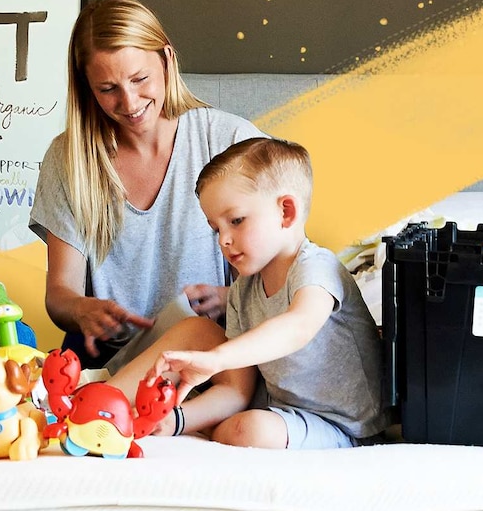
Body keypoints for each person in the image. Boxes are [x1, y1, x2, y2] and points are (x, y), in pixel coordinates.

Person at [29, 0, 267, 371]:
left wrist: (231, 298)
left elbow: (279, 270)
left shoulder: (228, 140)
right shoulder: (68, 159)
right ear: (86, 87)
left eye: (140, 79)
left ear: (167, 61)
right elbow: (60, 295)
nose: (129, 102)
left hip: (208, 349)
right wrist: (81, 309)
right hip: (107, 356)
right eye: (107, 89)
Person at [130, 137, 388, 449]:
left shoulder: (316, 267)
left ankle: (203, 424)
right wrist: (176, 420)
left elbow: (298, 327)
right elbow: (238, 388)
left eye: (236, 221)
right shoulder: (243, 290)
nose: (224, 240)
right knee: (195, 330)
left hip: (343, 427)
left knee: (250, 430)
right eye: (216, 229)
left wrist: (216, 359)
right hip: (279, 409)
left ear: (286, 212)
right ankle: (104, 404)